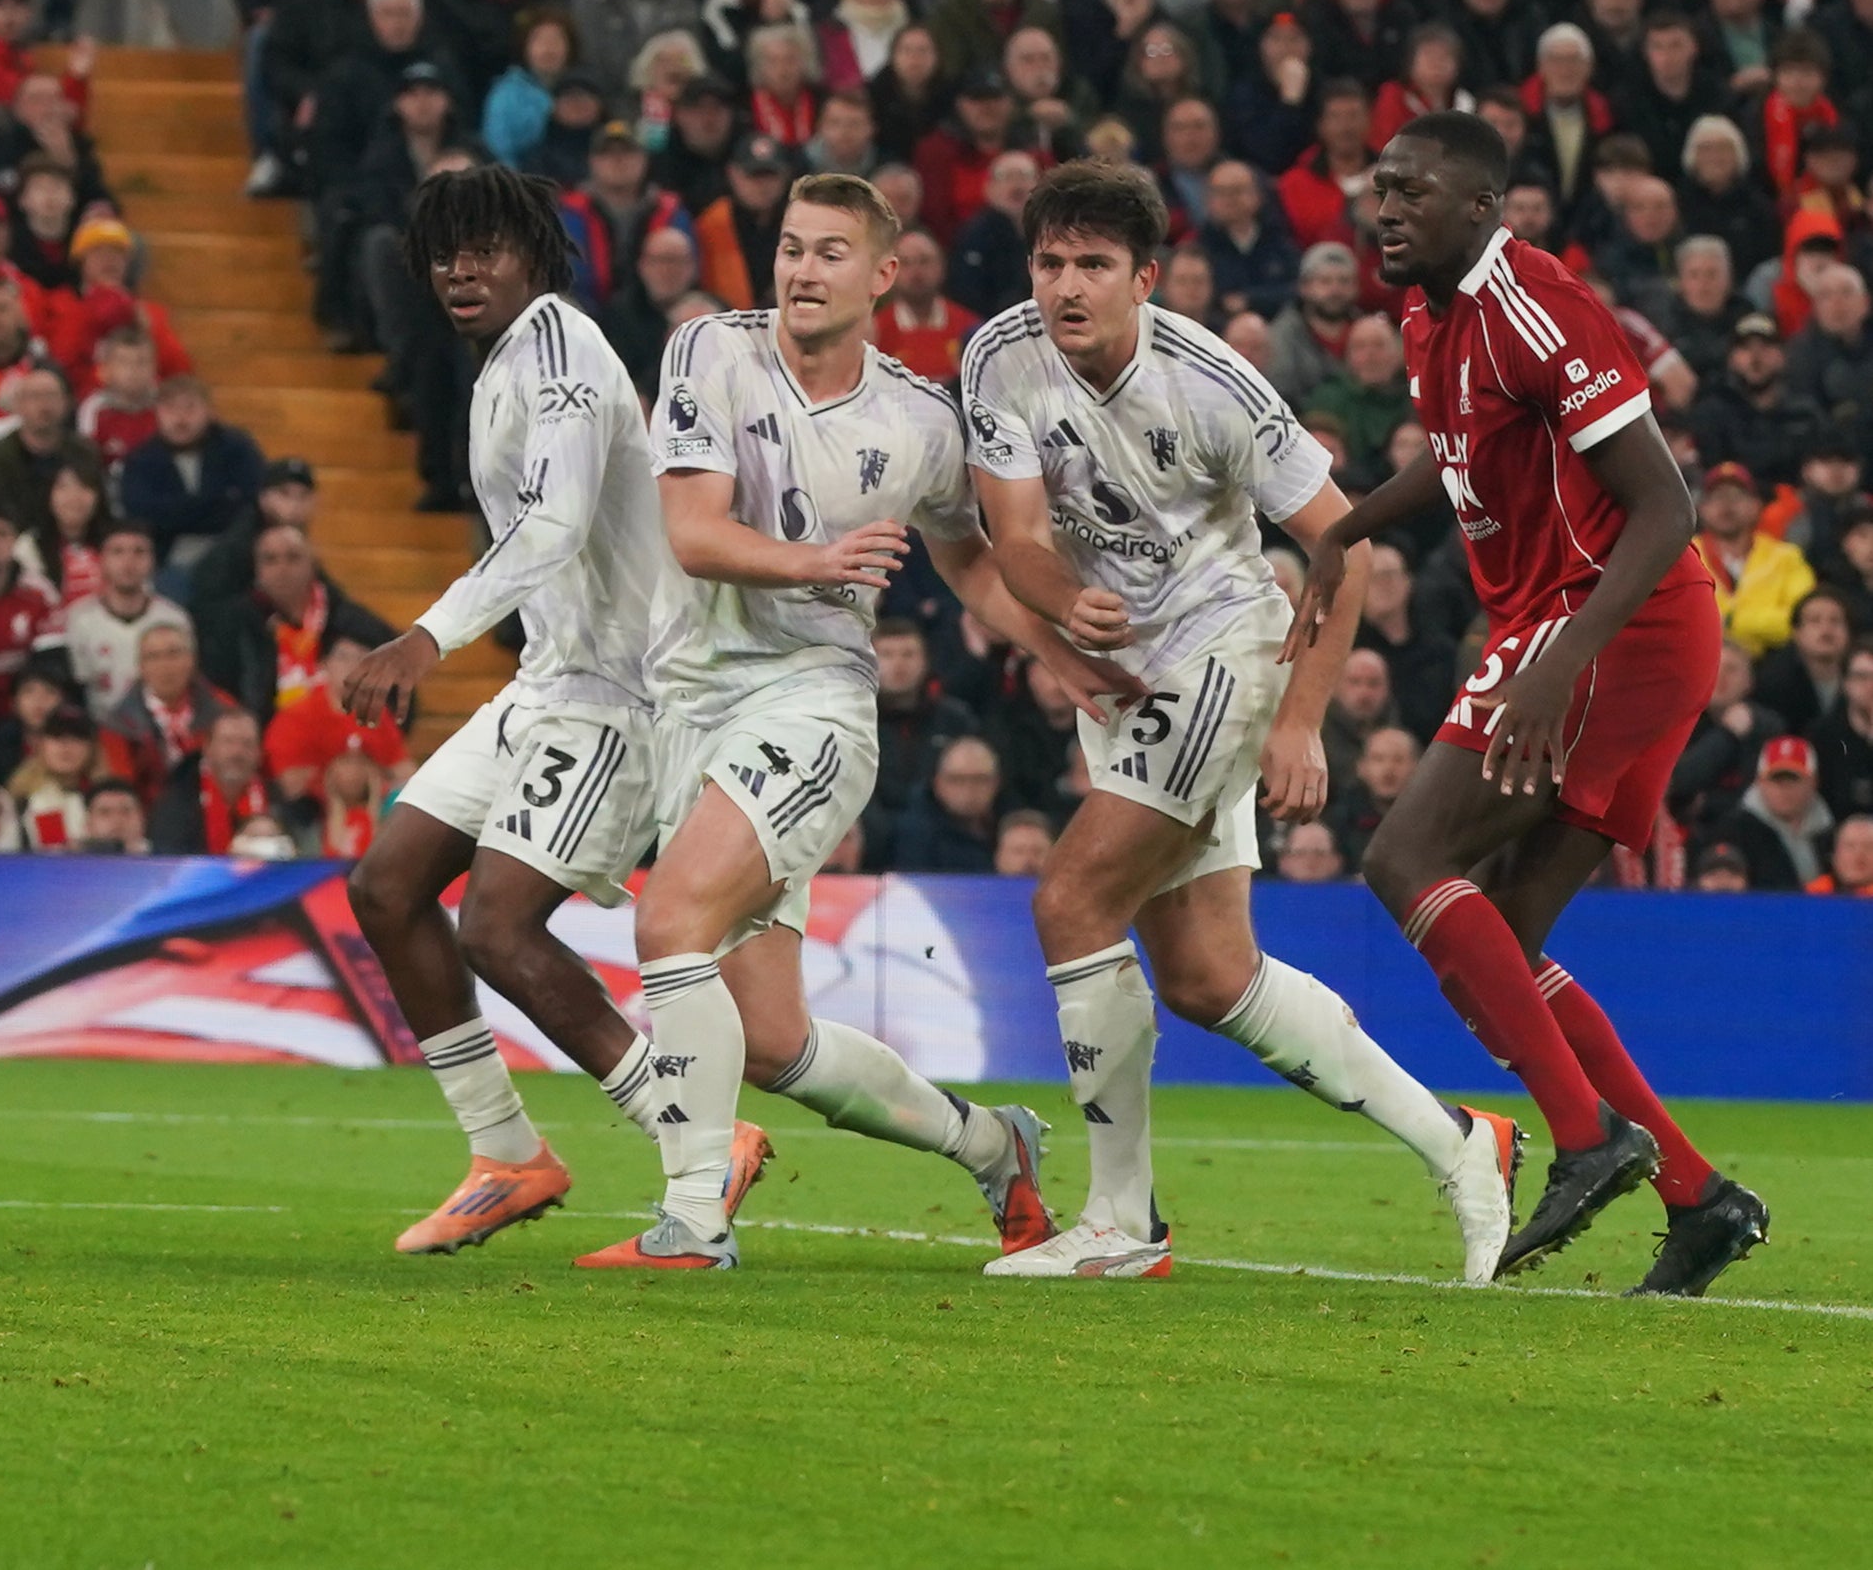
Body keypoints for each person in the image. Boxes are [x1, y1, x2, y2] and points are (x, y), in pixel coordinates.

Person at [959, 160, 1515, 1284]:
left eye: (1093, 266)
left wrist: (1303, 717)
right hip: (1124, 678)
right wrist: (1067, 607)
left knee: (1071, 901)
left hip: (1220, 649)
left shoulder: (1212, 385)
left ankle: (1121, 1222)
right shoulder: (997, 355)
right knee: (1211, 977)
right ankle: (1465, 1143)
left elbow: (1343, 544)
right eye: (1050, 261)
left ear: (1145, 278)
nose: (1066, 286)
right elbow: (1010, 529)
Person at [574, 172, 1115, 1274]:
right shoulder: (708, 352)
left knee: (670, 920)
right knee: (773, 1042)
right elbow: (692, 529)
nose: (801, 270)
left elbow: (972, 567)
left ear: (883, 275)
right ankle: (991, 1142)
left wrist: (1066, 654)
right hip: (691, 707)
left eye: (829, 252)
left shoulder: (918, 420)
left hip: (813, 702)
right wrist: (816, 559)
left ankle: (692, 1219)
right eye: (789, 247)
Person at [1291, 112, 1770, 1296]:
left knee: (1405, 855)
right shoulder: (1428, 309)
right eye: (1380, 186)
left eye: (1412, 190)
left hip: (1617, 618)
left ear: (1482, 208)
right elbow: (1457, 455)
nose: (1385, 207)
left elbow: (1666, 507)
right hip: (1585, 624)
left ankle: (1590, 1136)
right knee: (1501, 926)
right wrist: (1345, 525)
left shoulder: (1537, 307)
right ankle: (1699, 1196)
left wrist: (1559, 664)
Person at [330, 166, 708, 1254]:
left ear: (536, 252)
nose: (461, 267)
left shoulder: (562, 354)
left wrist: (421, 637)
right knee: (388, 886)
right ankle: (505, 1152)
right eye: (445, 250)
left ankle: (692, 1135)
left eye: (485, 245)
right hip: (548, 679)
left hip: (618, 693)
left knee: (495, 924)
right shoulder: (508, 360)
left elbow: (551, 527)